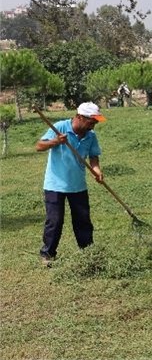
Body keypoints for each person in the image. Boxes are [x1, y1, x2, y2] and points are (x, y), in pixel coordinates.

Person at [36, 102, 107, 267]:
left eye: (95, 122)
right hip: (55, 185)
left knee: (82, 220)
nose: (94, 125)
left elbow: (94, 157)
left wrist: (97, 171)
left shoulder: (91, 135)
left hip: (78, 186)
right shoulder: (60, 127)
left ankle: (88, 252)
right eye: (92, 121)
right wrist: (55, 141)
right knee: (55, 221)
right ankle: (48, 255)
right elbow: (39, 146)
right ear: (80, 117)